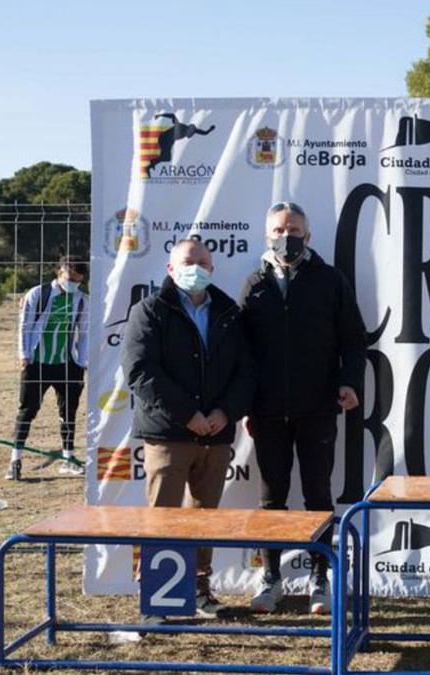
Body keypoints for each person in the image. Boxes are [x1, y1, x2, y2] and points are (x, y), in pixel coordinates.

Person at [240, 201, 366, 615]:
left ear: (308, 237)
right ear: (266, 235)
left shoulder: (330, 281)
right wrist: (244, 403)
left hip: (317, 409)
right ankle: (271, 579)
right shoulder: (253, 284)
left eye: (294, 230)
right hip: (267, 412)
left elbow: (352, 338)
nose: (286, 237)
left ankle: (320, 578)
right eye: (278, 229)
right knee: (271, 498)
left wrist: (348, 382)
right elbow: (242, 352)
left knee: (318, 496)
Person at [121, 239, 255, 621]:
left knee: (204, 517)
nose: (194, 267)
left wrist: (225, 412)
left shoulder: (229, 312)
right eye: (186, 262)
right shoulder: (149, 311)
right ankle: (157, 601)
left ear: (211, 269)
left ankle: (200, 593)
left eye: (201, 262)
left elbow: (246, 370)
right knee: (164, 516)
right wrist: (188, 414)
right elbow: (141, 371)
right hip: (169, 434)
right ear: (169, 268)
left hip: (216, 434)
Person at [9, 256, 89, 480]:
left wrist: (81, 362)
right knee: (27, 410)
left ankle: (68, 459)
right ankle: (15, 460)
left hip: (67, 364)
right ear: (59, 272)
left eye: (78, 280)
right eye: (70, 278)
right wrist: (24, 355)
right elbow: (25, 325)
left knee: (68, 413)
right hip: (37, 363)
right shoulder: (39, 294)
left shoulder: (82, 300)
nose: (73, 283)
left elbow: (84, 333)